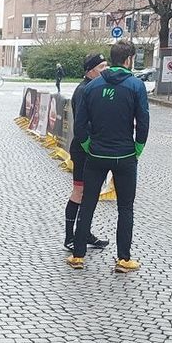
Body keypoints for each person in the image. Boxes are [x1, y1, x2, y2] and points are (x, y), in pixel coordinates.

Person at [67, 40, 150, 273]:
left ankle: (78, 255)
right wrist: (138, 148)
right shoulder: (136, 85)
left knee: (88, 203)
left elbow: (79, 125)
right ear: (129, 59)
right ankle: (123, 259)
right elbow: (143, 121)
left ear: (112, 59)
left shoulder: (92, 86)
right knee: (125, 208)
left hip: (96, 154)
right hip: (125, 154)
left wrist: (87, 145)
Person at [64, 53, 110, 252]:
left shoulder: (94, 87)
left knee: (90, 194)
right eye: (101, 67)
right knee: (80, 192)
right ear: (90, 71)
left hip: (92, 148)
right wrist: (89, 145)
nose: (105, 70)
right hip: (83, 149)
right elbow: (83, 124)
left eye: (106, 66)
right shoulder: (84, 90)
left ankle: (84, 232)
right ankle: (70, 236)